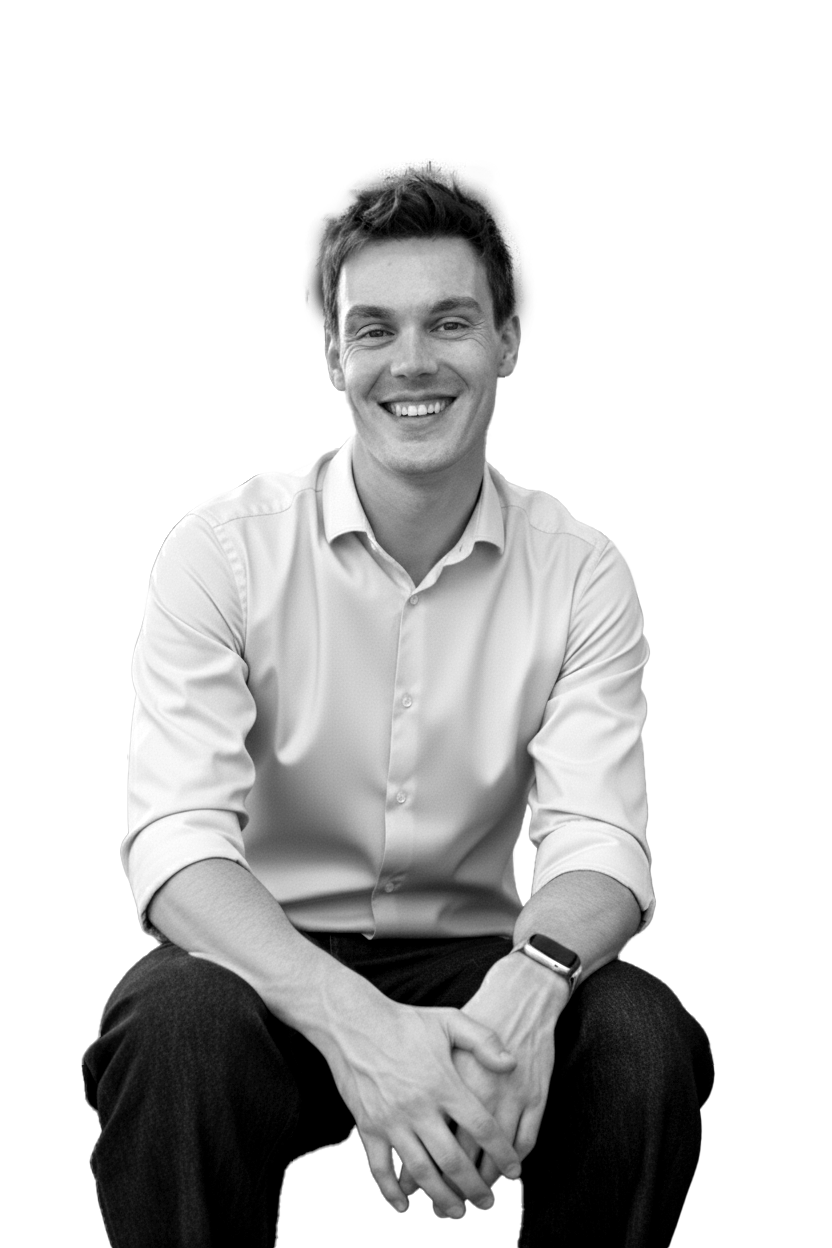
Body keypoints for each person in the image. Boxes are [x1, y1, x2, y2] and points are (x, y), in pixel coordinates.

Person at [82, 168, 715, 1247]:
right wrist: (361, 1029)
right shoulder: (220, 553)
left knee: (641, 1038)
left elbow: (598, 839)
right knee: (175, 1027)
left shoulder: (580, 572)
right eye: (373, 329)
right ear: (333, 355)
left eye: (450, 322)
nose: (411, 362)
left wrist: (533, 981)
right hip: (261, 965)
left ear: (509, 338)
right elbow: (178, 843)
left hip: (474, 956)